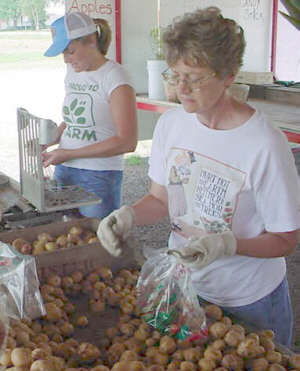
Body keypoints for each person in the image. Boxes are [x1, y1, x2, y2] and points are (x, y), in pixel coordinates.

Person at [97, 7, 300, 347]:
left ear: (229, 75)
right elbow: (161, 199)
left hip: (249, 298)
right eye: (175, 75)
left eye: (194, 77)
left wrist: (229, 244)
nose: (181, 88)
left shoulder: (264, 144)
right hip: (185, 287)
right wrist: (126, 215)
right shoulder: (172, 125)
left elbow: (286, 239)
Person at [42, 11, 138, 218]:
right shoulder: (73, 72)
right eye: (63, 54)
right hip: (65, 169)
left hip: (99, 174)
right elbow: (70, 121)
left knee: (97, 240)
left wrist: (68, 154)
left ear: (91, 41)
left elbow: (127, 141)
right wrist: (50, 140)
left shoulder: (115, 77)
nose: (66, 60)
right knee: (66, 235)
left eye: (71, 51)